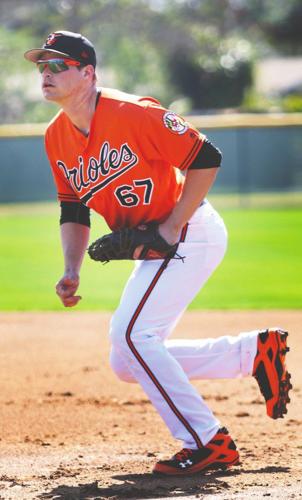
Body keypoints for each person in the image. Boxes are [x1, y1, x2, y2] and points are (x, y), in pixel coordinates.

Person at [24, 31, 292, 476]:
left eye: (58, 65)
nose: (46, 74)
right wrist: (71, 269)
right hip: (159, 244)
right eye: (42, 66)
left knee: (133, 337)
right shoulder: (56, 137)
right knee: (126, 360)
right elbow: (72, 207)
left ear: (88, 72)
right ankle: (252, 353)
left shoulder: (133, 112)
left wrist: (171, 226)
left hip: (191, 232)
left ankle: (207, 442)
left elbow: (205, 156)